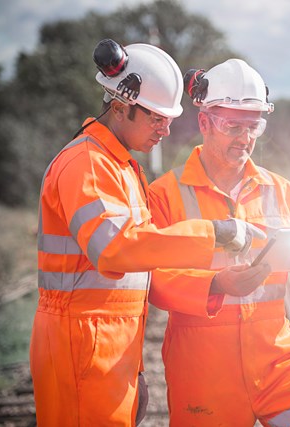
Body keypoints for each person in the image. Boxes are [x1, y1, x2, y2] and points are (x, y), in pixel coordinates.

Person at [30, 40, 266, 426]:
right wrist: (213, 233)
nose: (166, 129)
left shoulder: (119, 167)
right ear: (121, 107)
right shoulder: (86, 163)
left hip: (107, 345)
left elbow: (140, 258)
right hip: (81, 343)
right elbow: (115, 250)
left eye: (170, 119)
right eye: (157, 118)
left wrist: (133, 369)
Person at [147, 59, 290, 426]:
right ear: (205, 123)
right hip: (204, 371)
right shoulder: (164, 195)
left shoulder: (283, 191)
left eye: (254, 126)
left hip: (278, 360)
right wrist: (215, 284)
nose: (245, 138)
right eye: (233, 125)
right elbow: (150, 279)